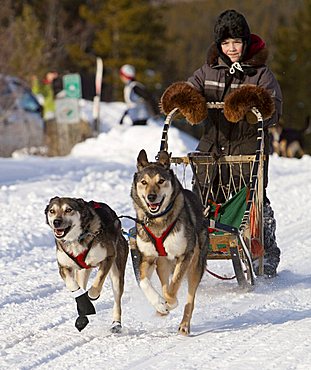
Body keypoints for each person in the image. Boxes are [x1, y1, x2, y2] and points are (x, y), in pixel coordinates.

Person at [160, 9, 282, 278]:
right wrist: (184, 101)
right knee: (200, 197)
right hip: (212, 147)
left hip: (248, 147)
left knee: (249, 201)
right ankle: (192, 247)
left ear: (246, 42)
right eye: (226, 43)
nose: (231, 48)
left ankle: (266, 251)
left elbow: (273, 110)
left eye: (236, 42)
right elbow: (189, 89)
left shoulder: (261, 74)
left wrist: (250, 106)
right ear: (219, 45)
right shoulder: (209, 71)